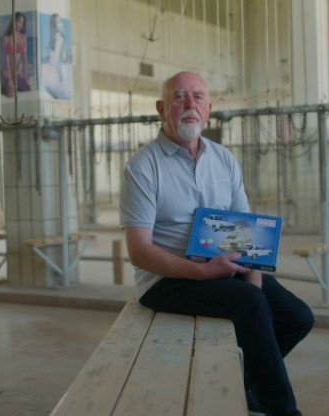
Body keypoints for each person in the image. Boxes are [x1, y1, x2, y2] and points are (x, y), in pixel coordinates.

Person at [120, 71, 314, 416]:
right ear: (162, 109)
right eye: (179, 97)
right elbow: (140, 252)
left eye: (198, 97)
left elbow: (246, 234)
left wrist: (252, 281)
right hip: (165, 281)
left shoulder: (223, 160)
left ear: (208, 109)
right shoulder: (143, 167)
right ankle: (283, 411)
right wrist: (203, 273)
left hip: (224, 268)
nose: (189, 105)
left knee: (297, 316)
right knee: (250, 305)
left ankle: (246, 387)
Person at [1, 11, 31, 97]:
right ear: (14, 21)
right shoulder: (7, 37)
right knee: (11, 93)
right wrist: (10, 79)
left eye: (22, 22)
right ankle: (6, 85)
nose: (20, 24)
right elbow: (7, 58)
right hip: (8, 71)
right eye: (18, 21)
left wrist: (27, 76)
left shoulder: (23, 37)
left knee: (27, 88)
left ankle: (14, 85)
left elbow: (24, 57)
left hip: (17, 72)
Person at [41, 13, 70, 100]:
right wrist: (60, 76)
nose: (57, 24)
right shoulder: (57, 37)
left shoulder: (56, 37)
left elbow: (56, 59)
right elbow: (56, 59)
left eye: (58, 22)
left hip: (50, 76)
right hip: (53, 75)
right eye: (55, 22)